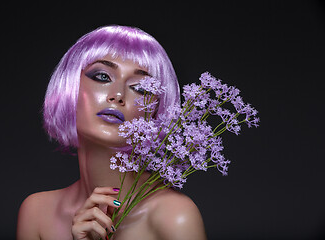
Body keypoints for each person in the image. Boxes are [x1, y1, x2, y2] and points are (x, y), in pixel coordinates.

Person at [17, 25, 207, 240]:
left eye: (141, 88)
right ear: (70, 86)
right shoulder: (38, 212)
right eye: (102, 77)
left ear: (156, 110)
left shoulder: (174, 216)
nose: (117, 95)